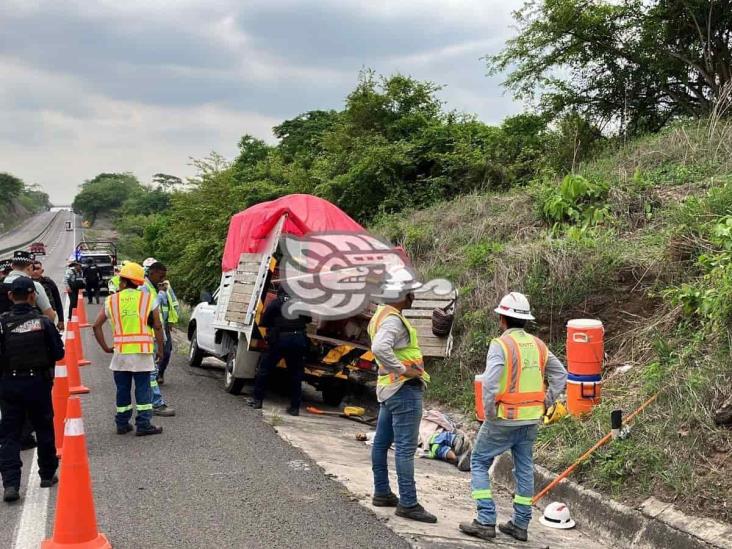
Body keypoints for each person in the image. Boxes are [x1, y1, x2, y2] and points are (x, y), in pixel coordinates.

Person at [459, 292, 567, 543]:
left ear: (502, 319)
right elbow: (560, 375)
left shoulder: (501, 345)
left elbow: (490, 384)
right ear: (525, 320)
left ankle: (485, 520)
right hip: (531, 419)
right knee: (525, 469)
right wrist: (545, 401)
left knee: (478, 461)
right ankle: (520, 524)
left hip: (503, 418)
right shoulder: (539, 345)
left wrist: (488, 413)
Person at [368, 286, 436, 524]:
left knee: (381, 443)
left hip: (389, 389)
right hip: (404, 389)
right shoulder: (394, 321)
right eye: (409, 292)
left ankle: (382, 492)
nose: (413, 296)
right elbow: (379, 348)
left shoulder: (380, 315)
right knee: (405, 449)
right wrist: (403, 369)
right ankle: (408, 503)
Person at [0, 277, 64, 502]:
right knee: (44, 427)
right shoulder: (43, 323)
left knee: (9, 435)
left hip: (9, 384)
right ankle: (47, 474)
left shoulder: (2, 323)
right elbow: (58, 353)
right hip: (38, 383)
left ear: (10, 296)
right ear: (32, 296)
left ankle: (10, 484)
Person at [91, 262, 164, 436]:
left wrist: (105, 348)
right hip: (142, 354)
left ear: (123, 281)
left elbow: (96, 326)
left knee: (122, 389)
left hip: (121, 354)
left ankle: (122, 423)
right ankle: (144, 424)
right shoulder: (148, 299)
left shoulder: (112, 300)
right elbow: (158, 326)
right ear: (139, 282)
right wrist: (160, 349)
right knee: (143, 389)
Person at [248, 287, 310, 416]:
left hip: (280, 340)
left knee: (264, 370)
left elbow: (264, 321)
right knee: (296, 375)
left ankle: (257, 400)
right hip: (298, 340)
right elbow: (308, 320)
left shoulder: (276, 303)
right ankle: (295, 408)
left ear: (280, 292)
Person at [141, 260, 175, 416]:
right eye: (160, 276)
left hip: (156, 334)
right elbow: (151, 312)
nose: (162, 280)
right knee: (151, 373)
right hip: (150, 335)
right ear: (152, 272)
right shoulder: (145, 288)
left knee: (149, 373)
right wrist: (161, 293)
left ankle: (149, 403)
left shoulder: (153, 287)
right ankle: (156, 403)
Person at [1, 252, 56, 323]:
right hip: (30, 331)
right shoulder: (35, 285)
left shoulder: (2, 284)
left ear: (12, 266)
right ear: (30, 267)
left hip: (6, 332)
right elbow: (50, 315)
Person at [156, 280, 180, 385]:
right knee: (153, 351)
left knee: (166, 352)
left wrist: (171, 321)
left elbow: (174, 304)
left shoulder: (167, 286)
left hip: (164, 325)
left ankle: (160, 373)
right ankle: (152, 374)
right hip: (152, 325)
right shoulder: (146, 288)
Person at [31, 261, 65, 332]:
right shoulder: (26, 284)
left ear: (42, 271)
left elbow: (57, 301)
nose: (35, 271)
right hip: (33, 320)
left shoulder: (49, 283)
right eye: (33, 269)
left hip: (49, 318)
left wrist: (61, 320)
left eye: (37, 269)